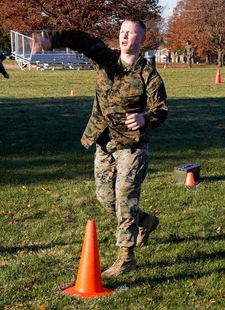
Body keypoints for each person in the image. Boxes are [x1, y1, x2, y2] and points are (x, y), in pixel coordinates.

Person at [39, 19, 168, 277]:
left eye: (130, 33)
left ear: (142, 39)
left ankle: (126, 257)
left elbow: (160, 110)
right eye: (122, 32)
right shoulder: (105, 59)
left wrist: (145, 119)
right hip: (103, 141)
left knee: (124, 198)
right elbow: (82, 40)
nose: (124, 37)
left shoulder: (148, 75)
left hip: (132, 147)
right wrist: (51, 39)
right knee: (106, 200)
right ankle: (145, 220)